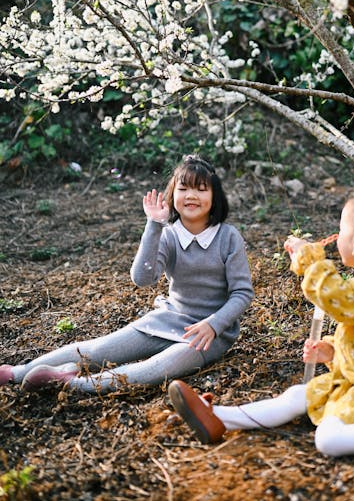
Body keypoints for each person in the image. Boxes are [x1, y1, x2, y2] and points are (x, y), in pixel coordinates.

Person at [167, 192, 354, 481]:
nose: (336, 235)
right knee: (297, 396)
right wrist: (330, 352)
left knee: (328, 439)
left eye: (342, 229)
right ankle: (217, 417)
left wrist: (310, 261)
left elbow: (336, 297)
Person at [0, 154, 254, 394]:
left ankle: (74, 383)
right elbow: (142, 279)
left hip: (210, 334)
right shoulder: (168, 234)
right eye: (184, 188)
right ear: (172, 194)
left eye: (201, 189)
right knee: (98, 348)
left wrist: (214, 324)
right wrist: (154, 226)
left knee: (158, 368)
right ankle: (16, 373)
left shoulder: (227, 237)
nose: (191, 196)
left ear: (214, 196)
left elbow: (242, 293)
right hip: (168, 319)